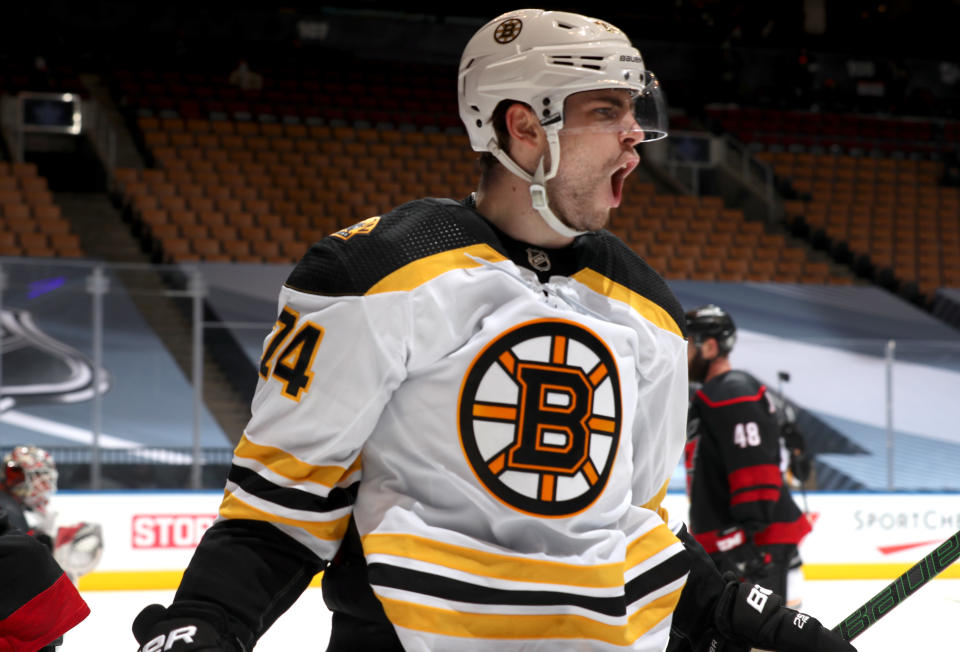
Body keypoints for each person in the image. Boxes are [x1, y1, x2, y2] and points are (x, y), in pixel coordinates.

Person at [133, 10, 855, 652]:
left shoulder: (650, 310)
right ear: (522, 125)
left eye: (634, 111)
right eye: (607, 110)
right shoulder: (375, 271)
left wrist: (735, 609)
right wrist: (207, 620)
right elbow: (280, 508)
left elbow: (630, 530)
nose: (636, 136)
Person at [683, 305, 813, 609]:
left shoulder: (731, 390)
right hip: (738, 541)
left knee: (757, 639)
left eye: (689, 343)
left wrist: (746, 541)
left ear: (710, 346)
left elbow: (755, 469)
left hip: (753, 544)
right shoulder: (716, 393)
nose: (683, 351)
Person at [1, 447, 91, 651]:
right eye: (39, 477)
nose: (44, 486)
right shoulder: (8, 509)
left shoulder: (9, 506)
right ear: (17, 477)